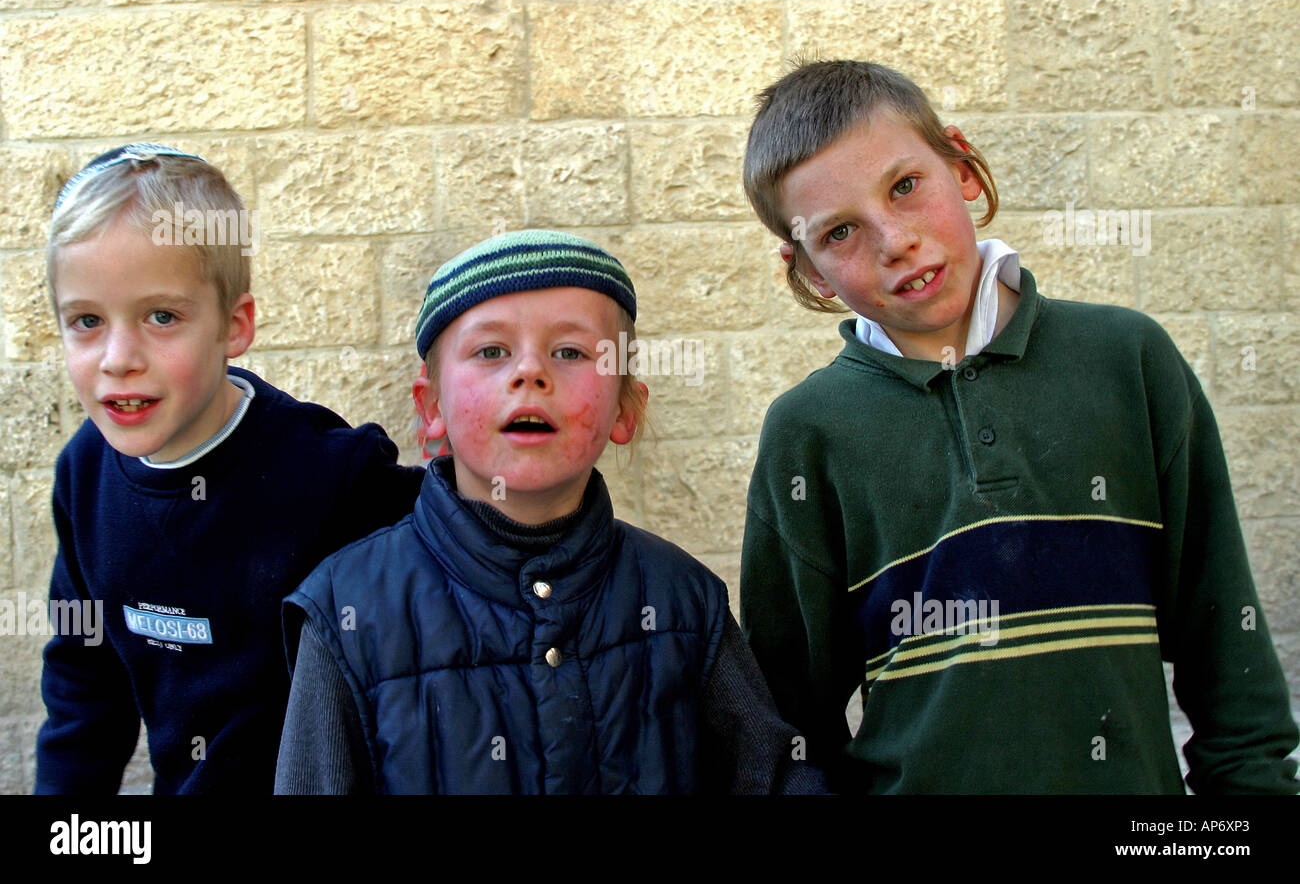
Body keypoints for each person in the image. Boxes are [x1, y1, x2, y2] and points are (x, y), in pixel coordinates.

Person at [739, 60, 1299, 793]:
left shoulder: (1127, 360)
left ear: (963, 166)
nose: (893, 241)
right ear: (807, 269)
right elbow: (789, 725)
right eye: (840, 231)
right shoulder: (808, 432)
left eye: (905, 187)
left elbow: (1226, 639)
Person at [275, 229, 823, 794]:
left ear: (625, 409)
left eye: (570, 352)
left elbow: (775, 777)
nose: (530, 373)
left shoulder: (683, 599)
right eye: (492, 351)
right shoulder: (348, 611)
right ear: (431, 407)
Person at [35, 144, 424, 793]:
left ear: (234, 324)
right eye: (86, 321)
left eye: (162, 316)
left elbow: (467, 554)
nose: (119, 357)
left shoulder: (330, 472)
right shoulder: (85, 474)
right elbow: (84, 688)